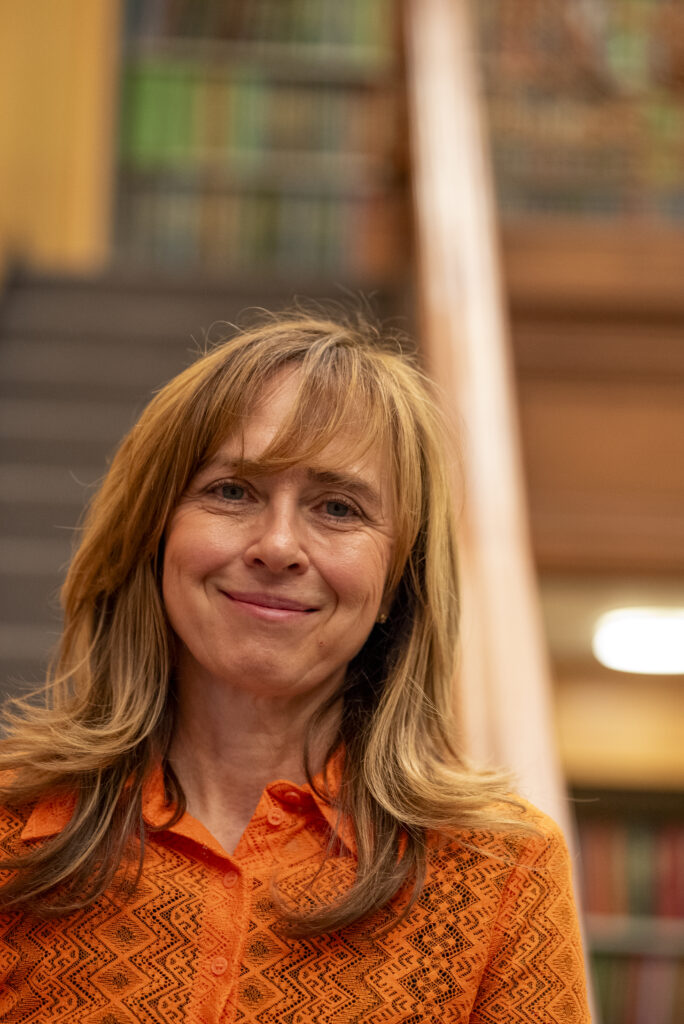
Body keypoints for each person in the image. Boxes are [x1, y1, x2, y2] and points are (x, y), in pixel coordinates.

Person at [0, 311, 590, 1022]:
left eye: (338, 507)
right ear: (154, 533)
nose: (278, 545)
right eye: (232, 491)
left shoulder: (500, 873)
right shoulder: (12, 829)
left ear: (398, 578)